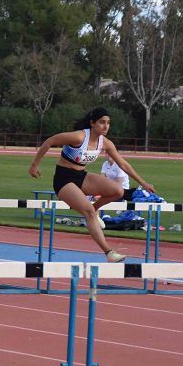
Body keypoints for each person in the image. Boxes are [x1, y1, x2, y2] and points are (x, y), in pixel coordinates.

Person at [28, 106, 155, 263]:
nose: (106, 126)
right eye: (102, 122)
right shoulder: (79, 137)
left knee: (118, 191)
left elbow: (123, 163)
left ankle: (94, 210)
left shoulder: (105, 143)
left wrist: (143, 183)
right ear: (92, 123)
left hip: (81, 177)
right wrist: (34, 165)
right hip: (63, 179)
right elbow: (50, 141)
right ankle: (108, 252)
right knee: (87, 211)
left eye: (108, 123)